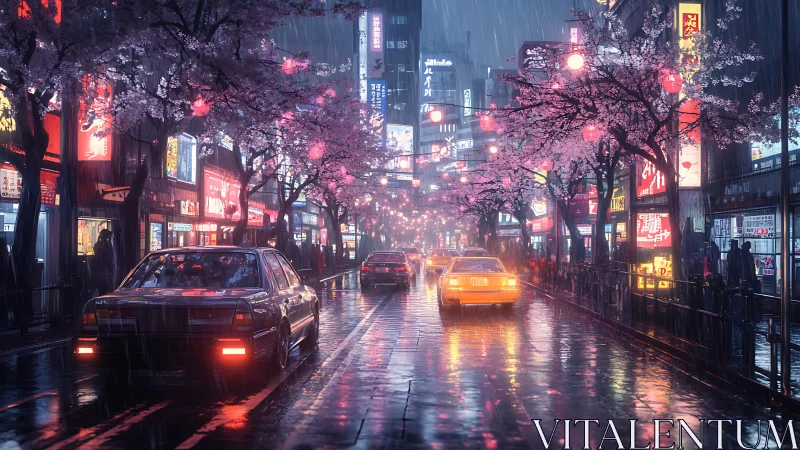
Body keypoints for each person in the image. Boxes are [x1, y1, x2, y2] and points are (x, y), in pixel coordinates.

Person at [94, 229, 114, 296]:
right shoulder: (106, 245)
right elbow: (109, 258)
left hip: (100, 268)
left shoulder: (98, 245)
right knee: (105, 285)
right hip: (104, 268)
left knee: (101, 285)